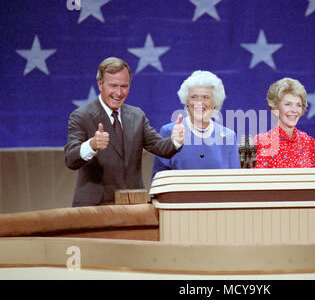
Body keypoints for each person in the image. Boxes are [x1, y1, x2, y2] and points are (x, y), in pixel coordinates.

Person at [65, 57, 185, 206]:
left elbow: (161, 147)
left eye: (124, 86)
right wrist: (92, 145)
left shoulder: (137, 116)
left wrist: (176, 140)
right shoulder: (82, 116)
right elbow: (71, 159)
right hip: (95, 208)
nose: (119, 92)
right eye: (113, 86)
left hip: (132, 206)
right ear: (100, 84)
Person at [151, 70, 240, 179]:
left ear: (215, 102)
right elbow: (157, 181)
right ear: (187, 101)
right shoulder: (169, 131)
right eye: (194, 97)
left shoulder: (228, 136)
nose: (199, 102)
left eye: (206, 97)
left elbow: (235, 182)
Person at [254, 78, 315, 169]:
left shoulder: (308, 142)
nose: (294, 110)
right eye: (288, 104)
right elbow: (258, 180)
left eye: (298, 105)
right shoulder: (262, 141)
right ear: (275, 109)